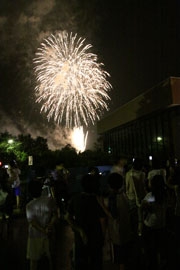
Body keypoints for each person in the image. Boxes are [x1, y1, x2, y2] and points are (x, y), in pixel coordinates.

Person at [66, 174, 106, 270]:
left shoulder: (75, 199)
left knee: (81, 265)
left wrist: (79, 230)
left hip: (80, 240)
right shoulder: (97, 200)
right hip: (96, 239)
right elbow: (103, 220)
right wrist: (103, 237)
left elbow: (68, 217)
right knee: (96, 264)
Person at [26, 180, 57, 270]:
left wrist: (43, 230)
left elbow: (32, 222)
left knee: (34, 260)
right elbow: (55, 215)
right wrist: (50, 226)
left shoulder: (29, 205)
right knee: (51, 258)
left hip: (34, 235)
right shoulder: (49, 200)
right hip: (49, 234)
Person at [106, 172, 132, 270]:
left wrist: (102, 206)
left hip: (118, 233)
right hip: (127, 230)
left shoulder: (113, 197)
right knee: (125, 256)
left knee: (121, 259)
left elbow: (113, 216)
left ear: (109, 185)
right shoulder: (123, 194)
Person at [141, 174, 168, 270]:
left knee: (151, 247)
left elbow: (143, 207)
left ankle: (152, 263)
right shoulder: (165, 194)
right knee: (160, 246)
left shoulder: (151, 196)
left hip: (151, 225)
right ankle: (161, 262)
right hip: (162, 224)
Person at [125, 158, 146, 236]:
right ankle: (140, 232)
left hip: (131, 198)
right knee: (141, 217)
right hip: (140, 197)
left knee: (133, 217)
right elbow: (143, 188)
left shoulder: (128, 174)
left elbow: (126, 187)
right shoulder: (142, 174)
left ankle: (133, 232)